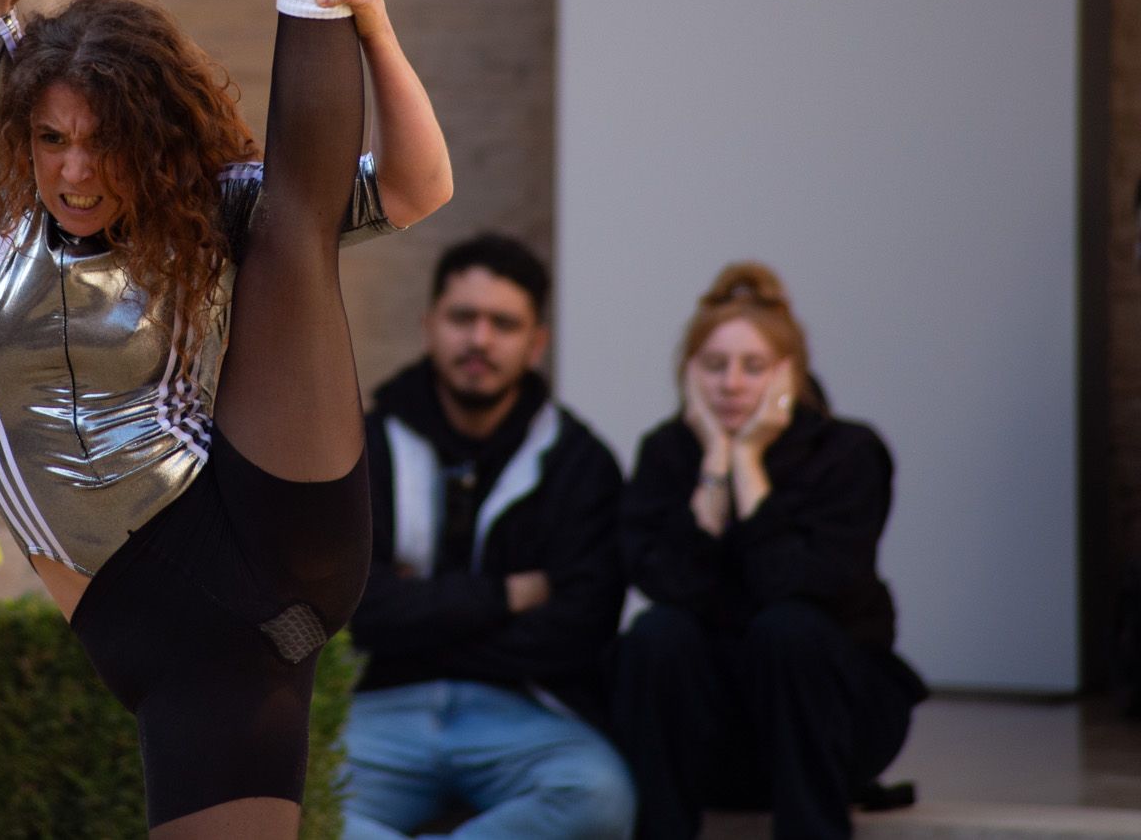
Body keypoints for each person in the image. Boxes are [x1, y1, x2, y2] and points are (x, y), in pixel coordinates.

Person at [0, 0, 454, 838]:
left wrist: (374, 27)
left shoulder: (207, 213)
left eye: (103, 144)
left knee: (288, 225)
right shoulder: (2, 207)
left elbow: (416, 186)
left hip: (243, 537)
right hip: (190, 648)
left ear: (151, 142)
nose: (74, 171)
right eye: (51, 140)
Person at [612, 262, 926, 840]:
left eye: (753, 367)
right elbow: (665, 583)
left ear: (790, 375)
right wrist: (712, 475)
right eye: (714, 366)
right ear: (688, 374)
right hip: (715, 730)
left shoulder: (848, 453)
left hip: (831, 715)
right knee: (658, 635)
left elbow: (799, 583)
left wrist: (749, 468)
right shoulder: (668, 453)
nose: (731, 384)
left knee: (790, 628)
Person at [341, 234, 633, 840]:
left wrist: (420, 614)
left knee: (600, 798)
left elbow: (580, 627)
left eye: (504, 323)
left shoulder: (580, 464)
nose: (480, 340)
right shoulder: (361, 447)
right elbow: (358, 612)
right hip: (382, 709)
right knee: (292, 808)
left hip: (526, 714)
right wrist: (505, 597)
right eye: (463, 318)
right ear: (429, 326)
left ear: (536, 344)